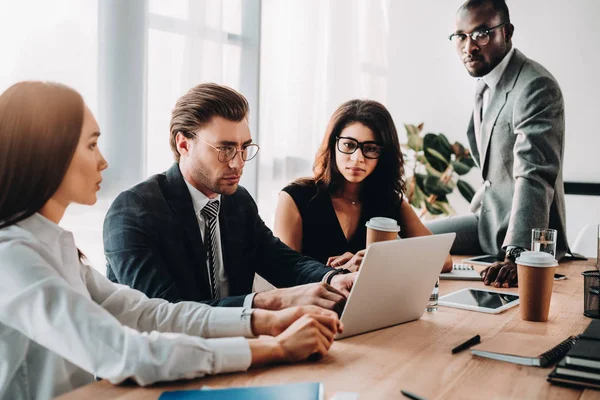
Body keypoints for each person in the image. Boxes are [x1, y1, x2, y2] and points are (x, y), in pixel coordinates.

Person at [0, 81, 343, 399]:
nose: (103, 160)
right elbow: (126, 351)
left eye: (244, 148)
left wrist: (262, 319)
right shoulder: (12, 256)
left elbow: (153, 314)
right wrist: (276, 348)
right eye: (91, 145)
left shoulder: (56, 248)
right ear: (45, 153)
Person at [104, 83, 356, 311]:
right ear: (183, 144)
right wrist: (270, 301)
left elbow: (282, 261)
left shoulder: (238, 201)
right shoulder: (133, 211)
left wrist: (335, 278)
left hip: (238, 347)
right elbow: (164, 313)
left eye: (244, 147)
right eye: (225, 149)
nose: (238, 163)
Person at [427, 0, 569, 287]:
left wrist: (518, 254)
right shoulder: (486, 83)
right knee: (411, 237)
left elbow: (534, 174)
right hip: (486, 223)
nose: (469, 46)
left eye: (481, 33)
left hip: (524, 237)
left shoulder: (535, 86)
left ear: (507, 32)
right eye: (461, 37)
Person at [274, 99, 453, 273]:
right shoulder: (296, 197)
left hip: (372, 302)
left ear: (383, 154)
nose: (357, 157)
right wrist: (336, 273)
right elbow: (283, 272)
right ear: (332, 145)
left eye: (370, 148)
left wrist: (380, 260)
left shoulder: (389, 202)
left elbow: (444, 260)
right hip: (313, 302)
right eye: (348, 145)